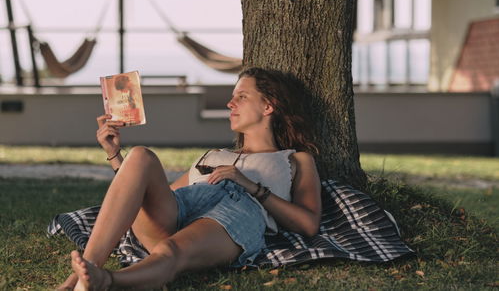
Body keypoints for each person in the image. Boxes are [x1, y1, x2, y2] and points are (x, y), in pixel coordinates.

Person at [58, 67, 322, 290]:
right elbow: (153, 198)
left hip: (237, 211)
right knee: (139, 155)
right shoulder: (213, 155)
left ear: (268, 106)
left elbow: (308, 224)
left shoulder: (294, 159)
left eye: (241, 96)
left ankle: (107, 281)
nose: (230, 104)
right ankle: (81, 276)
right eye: (232, 97)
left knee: (172, 250)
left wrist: (250, 186)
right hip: (187, 203)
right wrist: (115, 154)